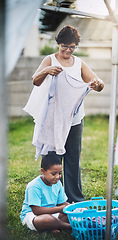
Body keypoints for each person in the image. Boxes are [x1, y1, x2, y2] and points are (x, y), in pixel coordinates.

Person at [24, 25, 104, 203]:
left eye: (72, 47)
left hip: (74, 119)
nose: (68, 50)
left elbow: (99, 84)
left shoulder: (79, 63)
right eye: (64, 46)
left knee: (72, 159)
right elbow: (36, 81)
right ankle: (49, 199)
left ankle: (75, 198)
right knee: (52, 159)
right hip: (52, 119)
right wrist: (47, 71)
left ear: (76, 47)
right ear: (58, 43)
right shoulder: (50, 59)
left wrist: (97, 84)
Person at [20, 152, 71, 234]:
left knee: (69, 215)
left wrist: (70, 207)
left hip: (52, 213)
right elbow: (36, 210)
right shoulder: (34, 186)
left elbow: (62, 202)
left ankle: (51, 227)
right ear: (43, 171)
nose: (58, 177)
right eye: (53, 174)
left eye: (60, 173)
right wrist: (59, 209)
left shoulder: (57, 183)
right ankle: (68, 227)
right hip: (33, 216)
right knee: (47, 219)